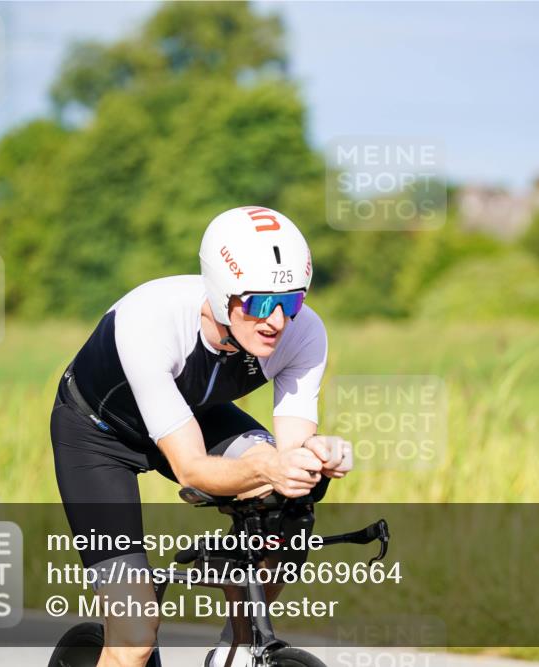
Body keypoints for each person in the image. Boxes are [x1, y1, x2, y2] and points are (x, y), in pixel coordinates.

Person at [50, 206, 353, 667]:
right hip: (97, 437)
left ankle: (236, 653)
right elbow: (191, 469)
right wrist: (262, 466)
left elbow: (288, 457)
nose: (278, 321)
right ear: (221, 291)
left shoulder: (305, 333)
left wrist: (315, 457)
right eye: (261, 303)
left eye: (291, 301)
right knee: (134, 633)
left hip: (193, 413)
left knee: (290, 506)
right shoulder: (150, 320)